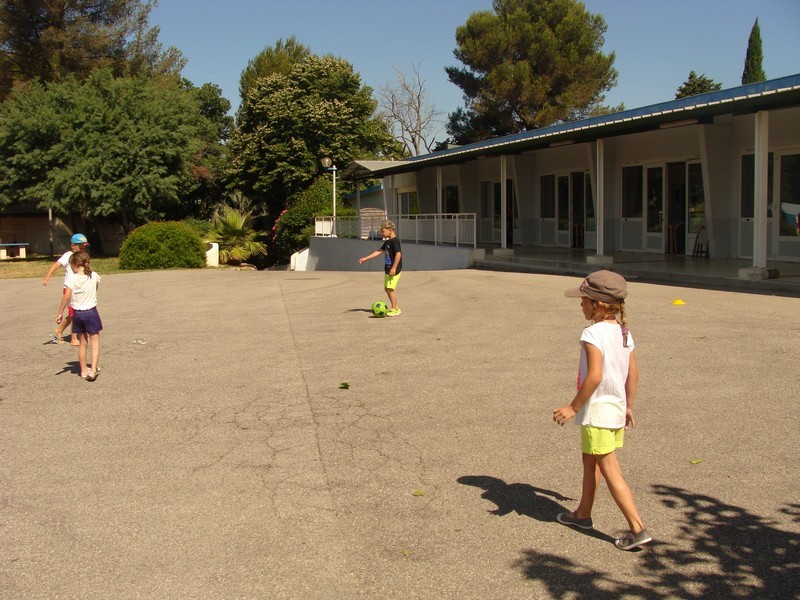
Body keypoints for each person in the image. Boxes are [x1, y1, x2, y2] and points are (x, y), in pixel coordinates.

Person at [552, 270, 651, 551]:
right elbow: (633, 374)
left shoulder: (593, 333)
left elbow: (594, 376)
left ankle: (637, 528)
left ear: (597, 304)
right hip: (615, 409)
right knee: (590, 460)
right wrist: (628, 406)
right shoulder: (623, 331)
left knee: (609, 468)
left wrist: (572, 407)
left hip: (597, 412)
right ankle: (582, 514)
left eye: (583, 299)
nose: (580, 304)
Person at [56, 251, 102, 381]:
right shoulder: (94, 276)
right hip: (91, 312)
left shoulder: (72, 278)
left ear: (75, 264)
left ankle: (83, 370)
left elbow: (67, 296)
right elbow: (95, 289)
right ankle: (93, 370)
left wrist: (60, 312)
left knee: (82, 343)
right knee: (95, 342)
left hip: (77, 313)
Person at [42, 233, 90, 345]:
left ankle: (59, 330)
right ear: (73, 246)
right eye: (80, 246)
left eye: (84, 246)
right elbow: (56, 265)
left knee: (76, 311)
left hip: (79, 288)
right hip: (69, 288)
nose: (82, 248)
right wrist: (47, 277)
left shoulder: (83, 256)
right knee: (74, 312)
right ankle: (74, 338)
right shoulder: (68, 255)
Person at [358, 220, 403, 317]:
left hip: (394, 269)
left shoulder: (395, 241)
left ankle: (395, 309)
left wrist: (394, 268)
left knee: (390, 288)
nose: (382, 233)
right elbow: (379, 251)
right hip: (388, 268)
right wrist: (366, 258)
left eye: (383, 231)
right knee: (387, 288)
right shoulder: (388, 242)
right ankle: (396, 307)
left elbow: (398, 254)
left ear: (390, 230)